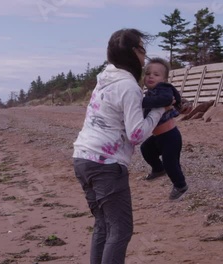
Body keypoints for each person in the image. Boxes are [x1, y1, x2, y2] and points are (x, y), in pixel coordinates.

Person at [72, 29, 165, 264]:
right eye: (143, 49)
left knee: (103, 225)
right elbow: (136, 134)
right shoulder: (128, 86)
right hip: (106, 164)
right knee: (121, 229)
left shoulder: (105, 80)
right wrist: (158, 111)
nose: (145, 57)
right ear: (133, 52)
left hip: (82, 157)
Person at [140, 57, 188, 200]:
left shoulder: (164, 89)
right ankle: (158, 169)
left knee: (171, 162)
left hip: (170, 136)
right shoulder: (150, 92)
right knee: (146, 149)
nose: (151, 77)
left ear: (165, 79)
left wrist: (140, 102)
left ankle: (180, 185)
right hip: (158, 136)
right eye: (148, 73)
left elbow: (166, 100)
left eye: (156, 74)